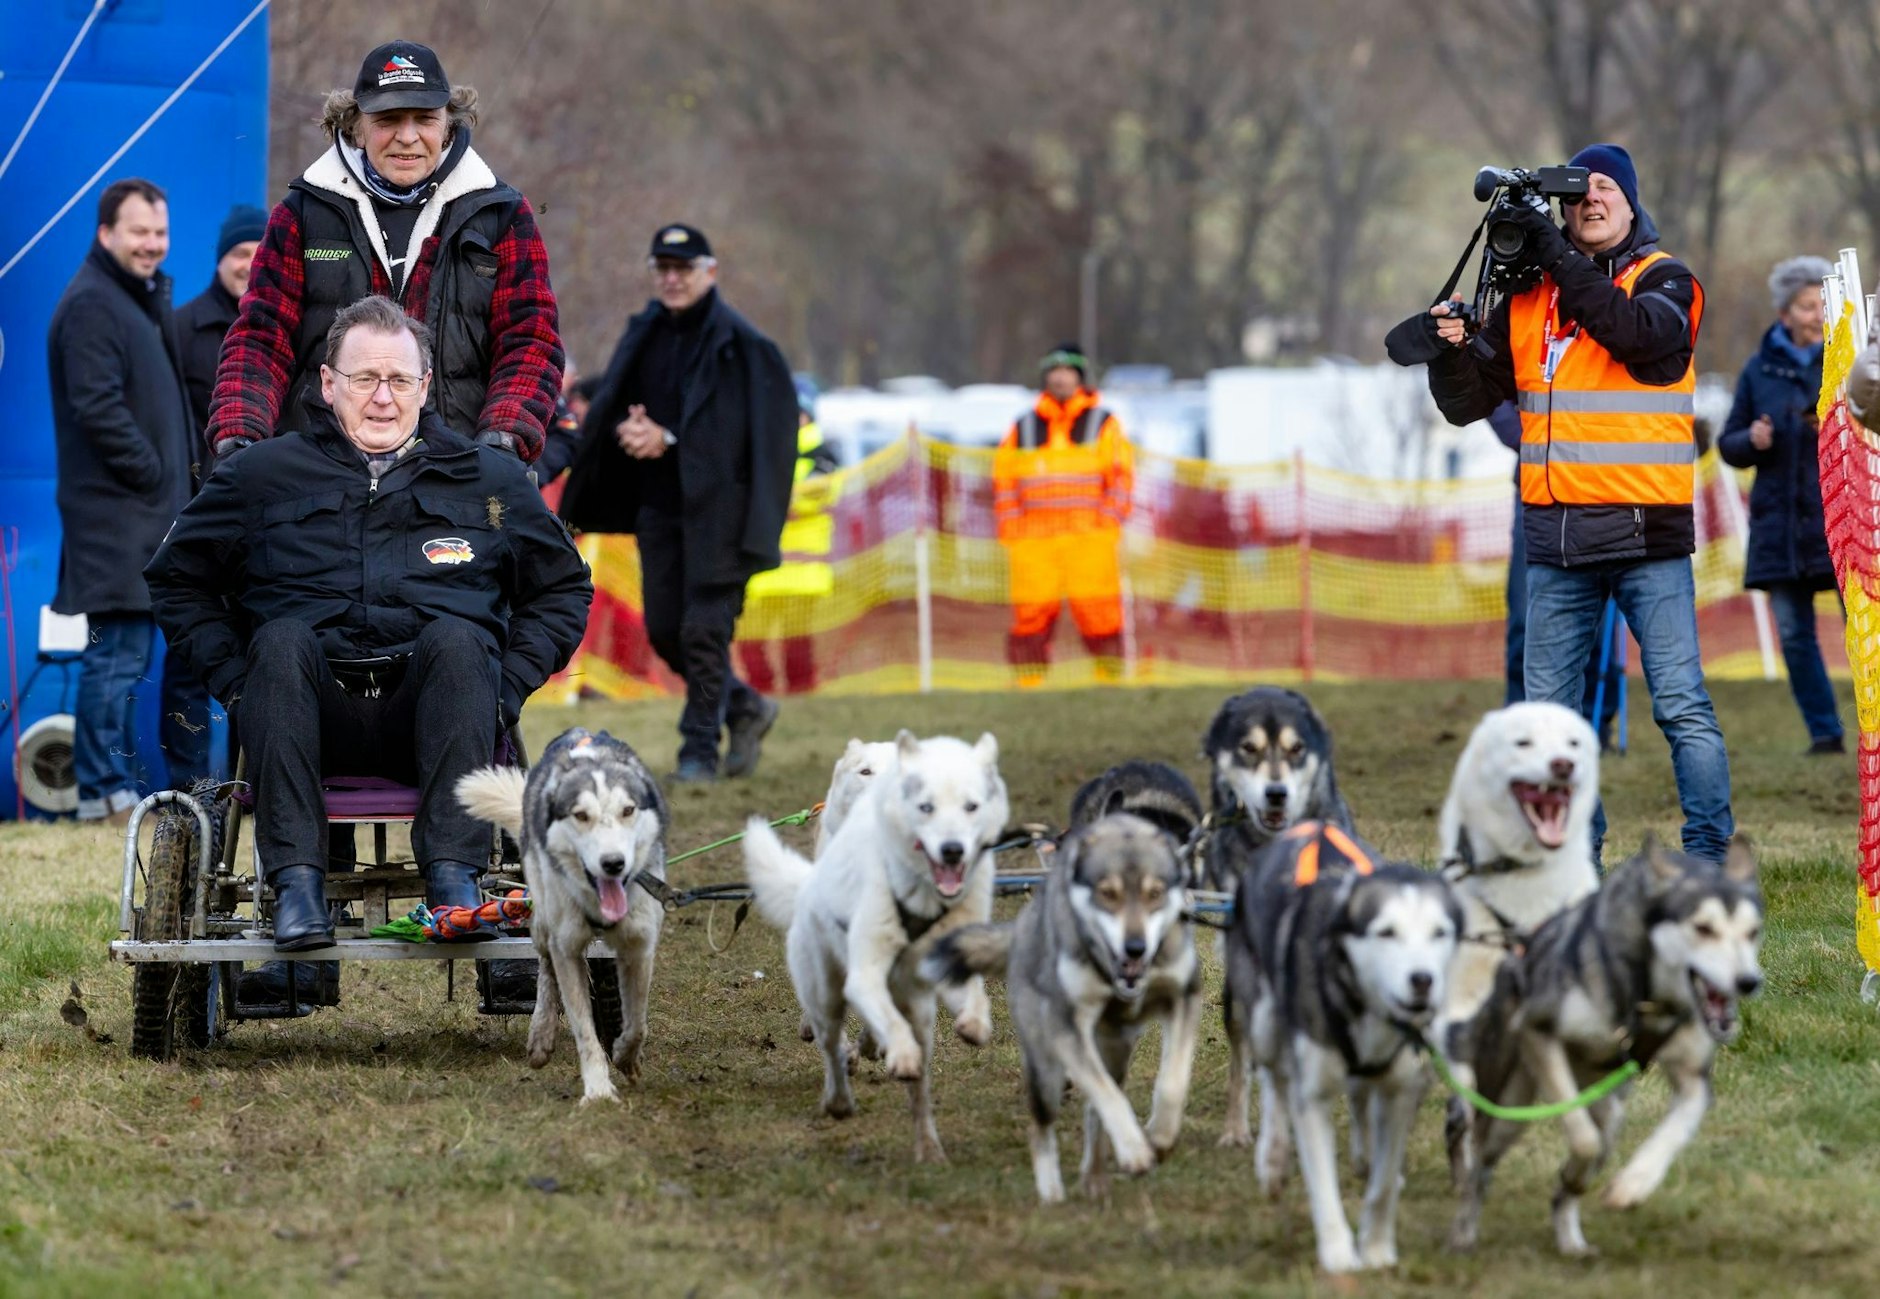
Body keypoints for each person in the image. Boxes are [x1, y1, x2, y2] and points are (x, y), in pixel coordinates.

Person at [146, 297, 591, 957]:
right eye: (364, 379)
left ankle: (455, 879)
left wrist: (507, 684)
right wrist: (240, 685)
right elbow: (175, 576)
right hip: (305, 711)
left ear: (425, 386)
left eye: (400, 380)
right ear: (329, 385)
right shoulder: (260, 477)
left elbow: (562, 585)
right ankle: (296, 882)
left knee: (460, 638)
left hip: (442, 711)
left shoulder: (488, 483)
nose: (383, 398)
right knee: (282, 638)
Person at [1418, 143, 1733, 863]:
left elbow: (1633, 335)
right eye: (1578, 192)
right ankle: (1572, 860)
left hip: (1645, 535)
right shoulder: (1531, 298)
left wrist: (1557, 254)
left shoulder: (1669, 281)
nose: (1591, 199)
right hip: (1555, 543)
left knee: (1681, 707)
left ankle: (1709, 857)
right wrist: (1450, 349)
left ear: (1630, 202)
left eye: (1605, 189)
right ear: (1561, 208)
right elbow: (1471, 405)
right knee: (1547, 723)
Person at [206, 40, 561, 462]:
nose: (407, 136)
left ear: (449, 123)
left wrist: (504, 438)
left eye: (425, 119)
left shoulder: (502, 214)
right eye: (389, 119)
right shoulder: (301, 213)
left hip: (457, 471)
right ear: (356, 124)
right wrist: (241, 431)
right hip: (319, 472)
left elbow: (531, 339)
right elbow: (263, 336)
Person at [558, 224, 797, 782]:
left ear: (709, 272)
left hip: (725, 521)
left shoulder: (745, 346)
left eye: (683, 268)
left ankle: (697, 753)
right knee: (667, 631)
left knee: (703, 633)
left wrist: (670, 441)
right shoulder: (646, 333)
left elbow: (757, 441)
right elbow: (618, 402)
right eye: (662, 267)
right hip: (660, 510)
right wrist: (630, 428)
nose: (671, 278)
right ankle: (744, 707)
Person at [45, 177, 210, 824]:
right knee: (113, 659)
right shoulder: (92, 305)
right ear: (105, 232)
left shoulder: (131, 300)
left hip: (142, 516)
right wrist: (151, 473)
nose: (152, 245)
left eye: (161, 233)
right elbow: (96, 406)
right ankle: (100, 793)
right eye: (139, 231)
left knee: (127, 656)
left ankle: (108, 789)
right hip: (116, 519)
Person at [1719, 256, 1846, 754]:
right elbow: (1729, 445)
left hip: (1842, 521)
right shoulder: (1757, 369)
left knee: (1865, 632)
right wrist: (1752, 439)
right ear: (1784, 312)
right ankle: (1825, 733)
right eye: (1806, 305)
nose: (1816, 314)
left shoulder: (1849, 360)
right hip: (1779, 528)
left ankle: (1872, 728)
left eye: (1822, 304)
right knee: (1794, 637)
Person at [992, 344, 1134, 685]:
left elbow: (1120, 478)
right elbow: (1005, 481)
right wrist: (1013, 530)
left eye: (1067, 370)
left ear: (1080, 376)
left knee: (1099, 611)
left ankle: (1109, 681)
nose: (1059, 377)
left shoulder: (1103, 423)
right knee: (1031, 614)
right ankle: (1029, 684)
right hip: (1035, 543)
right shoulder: (1024, 426)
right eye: (1053, 371)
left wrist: (1107, 522)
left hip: (1089, 539)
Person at [736, 379, 840, 694]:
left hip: (801, 574)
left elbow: (810, 497)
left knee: (798, 640)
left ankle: (800, 691)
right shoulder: (758, 451)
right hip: (761, 571)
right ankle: (760, 692)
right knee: (751, 640)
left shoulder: (822, 456)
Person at [175, 205, 266, 435]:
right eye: (240, 254)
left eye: (261, 254)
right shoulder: (181, 327)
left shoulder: (289, 327)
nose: (251, 266)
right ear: (220, 260)